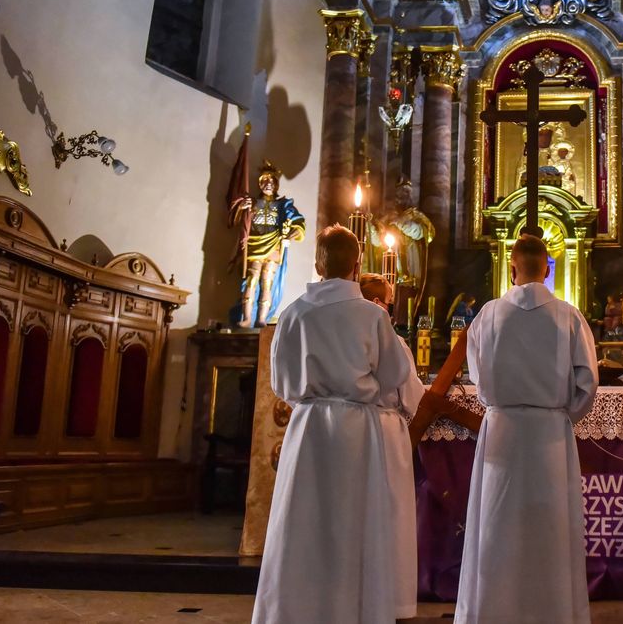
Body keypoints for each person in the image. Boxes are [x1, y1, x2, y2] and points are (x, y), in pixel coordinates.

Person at [253, 226, 424, 624]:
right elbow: (395, 373)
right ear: (357, 264)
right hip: (358, 429)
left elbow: (280, 382)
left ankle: (296, 609)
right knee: (355, 520)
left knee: (305, 519)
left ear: (318, 264)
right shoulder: (370, 315)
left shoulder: (293, 313)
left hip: (309, 425)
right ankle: (358, 609)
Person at [455, 234, 599, 624]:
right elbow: (587, 383)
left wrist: (497, 404)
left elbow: (478, 376)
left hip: (502, 430)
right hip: (550, 435)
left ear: (512, 267)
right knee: (549, 529)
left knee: (497, 526)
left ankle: (493, 611)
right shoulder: (568, 316)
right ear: (548, 267)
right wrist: (563, 414)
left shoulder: (489, 314)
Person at [231, 161, 305, 328]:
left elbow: (298, 222)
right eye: (264, 181)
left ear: (276, 185)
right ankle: (247, 318)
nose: (268, 184)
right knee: (251, 281)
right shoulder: (252, 202)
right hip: (254, 246)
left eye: (272, 181)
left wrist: (291, 235)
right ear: (260, 183)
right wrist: (243, 208)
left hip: (273, 246)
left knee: (267, 283)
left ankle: (262, 319)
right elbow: (238, 221)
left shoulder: (282, 205)